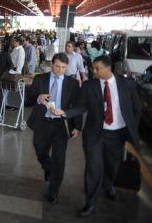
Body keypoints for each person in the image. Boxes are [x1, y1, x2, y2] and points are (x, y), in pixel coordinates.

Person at [51, 55, 141, 217]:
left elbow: (136, 109)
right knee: (93, 168)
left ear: (108, 68)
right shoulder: (89, 86)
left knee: (113, 165)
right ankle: (90, 202)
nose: (93, 71)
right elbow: (80, 107)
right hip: (95, 135)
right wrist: (65, 112)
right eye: (93, 68)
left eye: (97, 68)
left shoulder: (127, 85)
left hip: (117, 135)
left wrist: (131, 129)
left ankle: (108, 184)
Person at [26, 53, 82, 205]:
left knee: (59, 158)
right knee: (39, 149)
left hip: (61, 125)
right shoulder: (40, 78)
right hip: (43, 121)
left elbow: (76, 105)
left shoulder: (72, 83)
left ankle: (53, 191)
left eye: (64, 67)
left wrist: (77, 126)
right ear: (52, 64)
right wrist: (38, 97)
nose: (60, 70)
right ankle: (48, 168)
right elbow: (29, 97)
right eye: (57, 66)